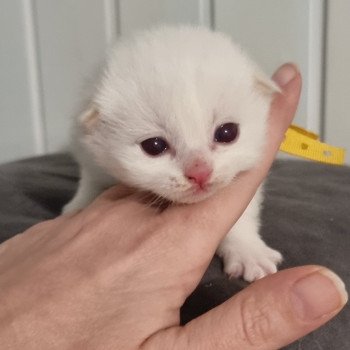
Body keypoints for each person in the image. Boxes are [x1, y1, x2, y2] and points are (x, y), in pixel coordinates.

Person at [0, 64, 347, 350]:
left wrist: (241, 239)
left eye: (225, 134)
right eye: (155, 145)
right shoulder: (97, 131)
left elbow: (247, 184)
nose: (201, 172)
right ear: (97, 132)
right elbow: (94, 175)